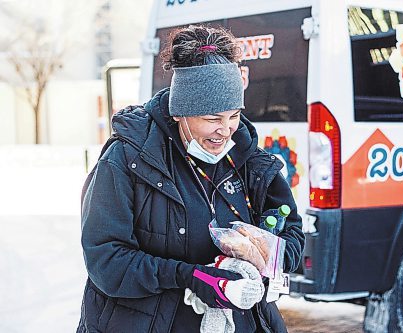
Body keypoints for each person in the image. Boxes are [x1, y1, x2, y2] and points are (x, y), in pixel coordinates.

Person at [77, 24, 304, 333]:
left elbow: (292, 238)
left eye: (233, 116)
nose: (225, 131)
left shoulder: (250, 161)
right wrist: (191, 277)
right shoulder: (127, 160)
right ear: (180, 113)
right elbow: (107, 262)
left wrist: (264, 255)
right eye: (212, 119)